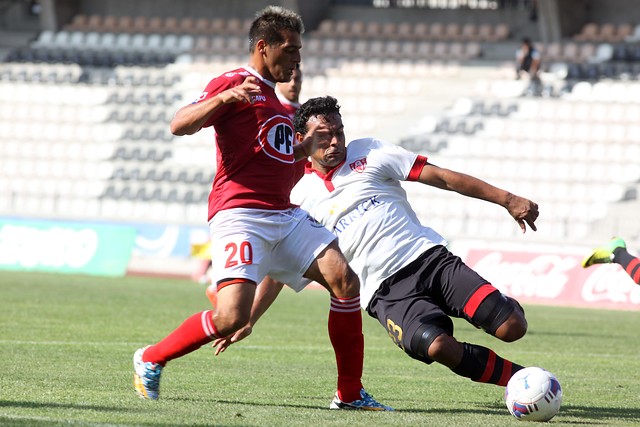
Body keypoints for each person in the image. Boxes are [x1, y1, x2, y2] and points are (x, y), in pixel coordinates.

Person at [133, 8, 390, 411]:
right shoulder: (235, 81)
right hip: (240, 215)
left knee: (345, 282)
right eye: (290, 50)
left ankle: (349, 393)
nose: (298, 59)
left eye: (300, 51)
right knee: (231, 317)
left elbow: (283, 175)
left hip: (283, 214)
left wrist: (303, 151)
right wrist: (223, 98)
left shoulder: (278, 104)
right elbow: (178, 124)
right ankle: (151, 357)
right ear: (262, 47)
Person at [215, 96, 541, 391]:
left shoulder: (369, 152)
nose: (334, 142)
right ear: (301, 140)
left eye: (338, 132)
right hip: (385, 293)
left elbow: (440, 176)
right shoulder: (294, 193)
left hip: (430, 259)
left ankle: (501, 307)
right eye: (324, 136)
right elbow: (280, 271)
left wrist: (507, 199)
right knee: (438, 346)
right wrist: (248, 318)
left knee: (513, 327)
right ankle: (522, 383)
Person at [203, 65, 305, 306]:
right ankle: (228, 291)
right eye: (289, 77)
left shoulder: (305, 115)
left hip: (294, 191)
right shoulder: (269, 107)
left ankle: (238, 305)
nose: (293, 83)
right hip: (259, 198)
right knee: (273, 257)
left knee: (285, 259)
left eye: (297, 78)